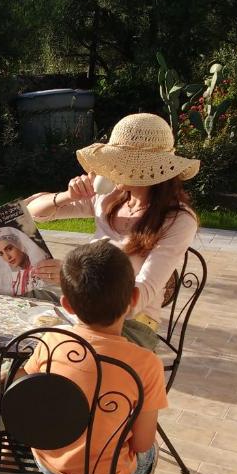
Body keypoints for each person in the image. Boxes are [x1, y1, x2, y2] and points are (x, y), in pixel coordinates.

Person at [21, 241, 167, 474]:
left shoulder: (50, 341)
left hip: (48, 462)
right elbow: (143, 444)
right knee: (151, 456)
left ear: (67, 304)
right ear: (133, 300)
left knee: (77, 434)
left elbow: (27, 395)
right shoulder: (145, 364)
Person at [25, 113, 200, 349]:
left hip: (130, 325)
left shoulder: (177, 220)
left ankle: (16, 379)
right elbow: (31, 212)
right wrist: (68, 196)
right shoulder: (109, 198)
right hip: (82, 309)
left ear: (144, 169)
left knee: (45, 344)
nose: (112, 169)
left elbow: (140, 294)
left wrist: (73, 280)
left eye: (120, 163)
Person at [0, 227, 48, 297]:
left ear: (20, 244)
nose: (7, 257)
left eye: (9, 249)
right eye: (1, 253)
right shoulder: (15, 277)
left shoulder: (39, 271)